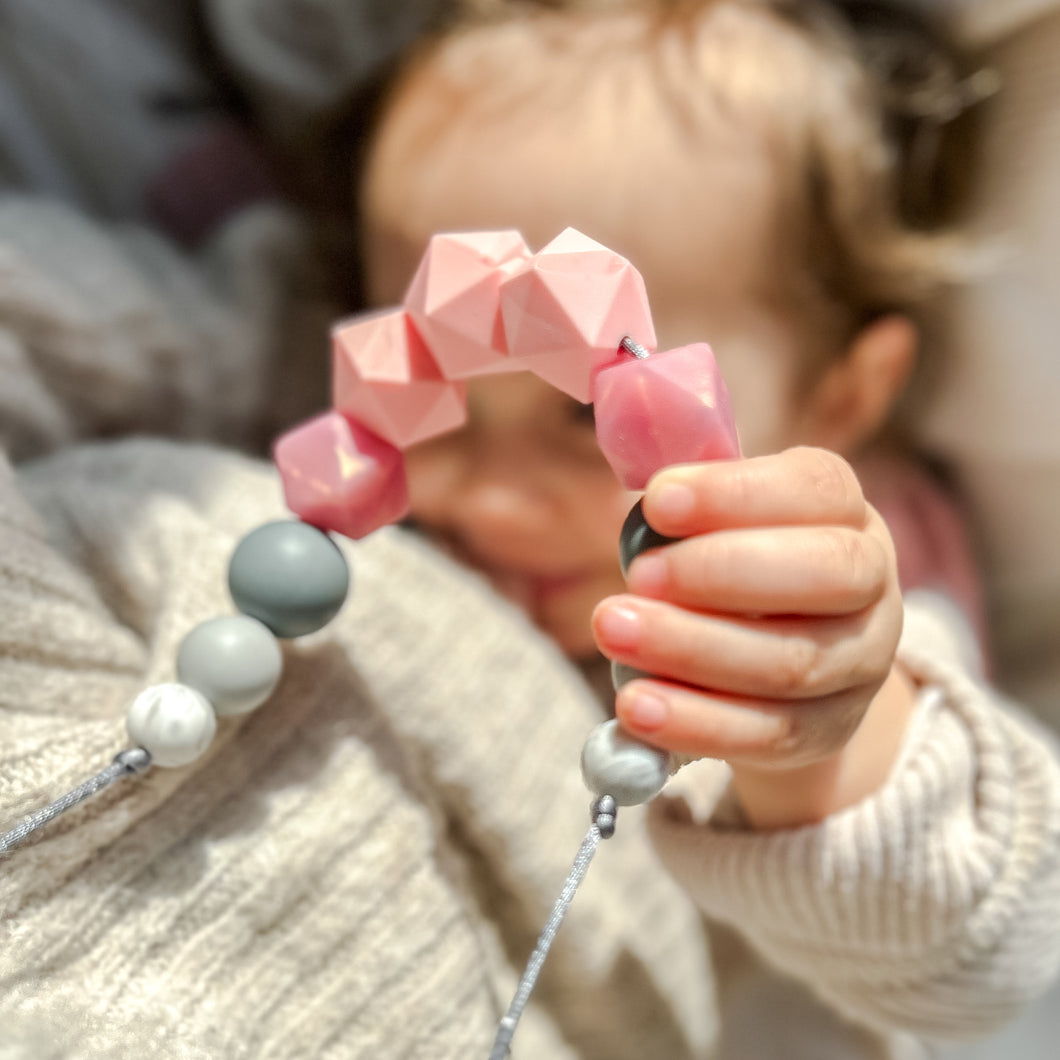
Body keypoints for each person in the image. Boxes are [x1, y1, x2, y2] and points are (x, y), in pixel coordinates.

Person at [352, 0, 1060, 1051]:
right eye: (436, 398)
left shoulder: (825, 591)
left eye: (586, 419)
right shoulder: (382, 492)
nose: (491, 497)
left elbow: (982, 940)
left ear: (840, 397)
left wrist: (805, 734)